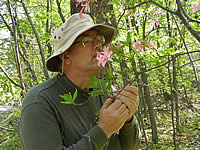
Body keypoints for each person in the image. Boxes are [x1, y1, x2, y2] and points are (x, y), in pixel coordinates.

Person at [19, 13, 141, 150]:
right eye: (87, 40)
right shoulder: (40, 101)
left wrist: (128, 118)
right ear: (65, 57)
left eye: (100, 39)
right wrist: (103, 131)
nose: (99, 45)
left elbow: (131, 147)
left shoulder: (107, 91)